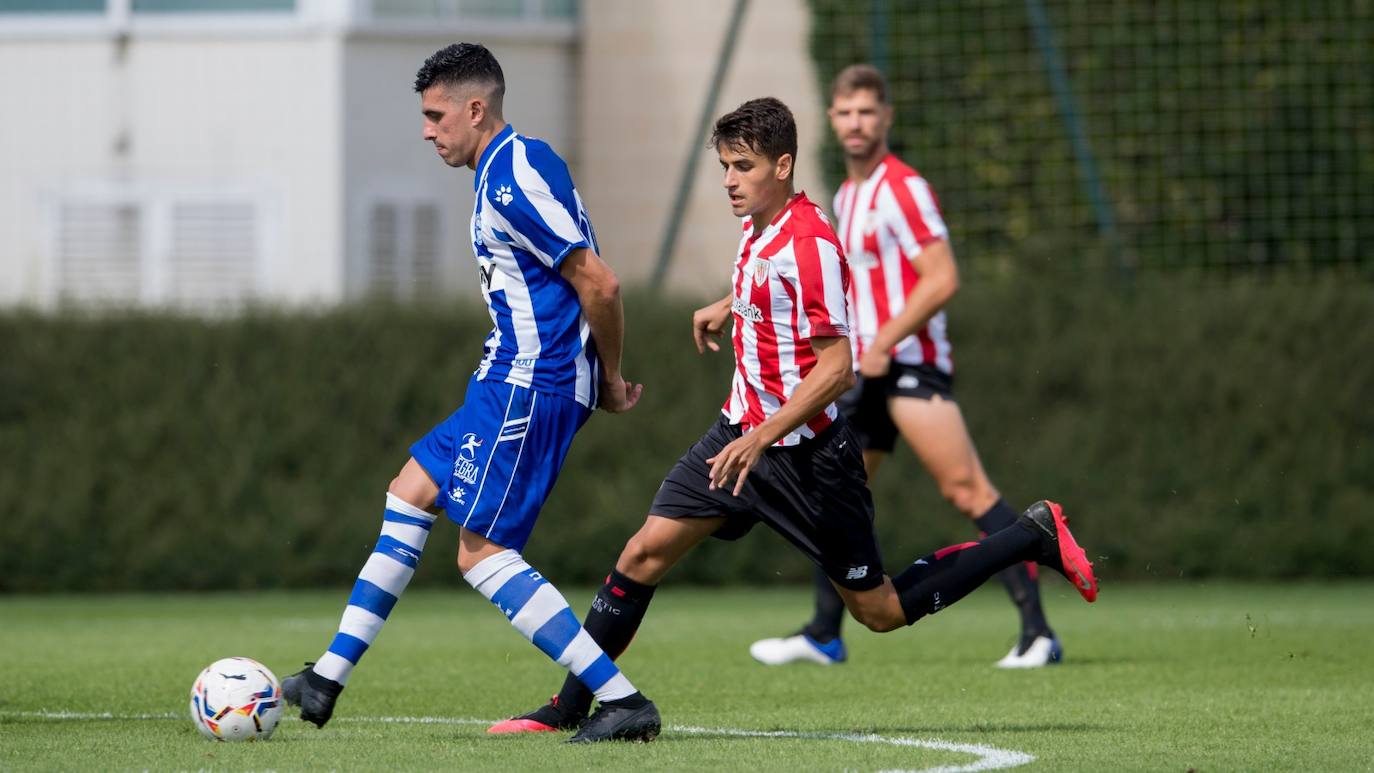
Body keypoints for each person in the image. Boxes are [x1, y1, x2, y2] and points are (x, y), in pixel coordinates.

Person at [487, 97, 1097, 738]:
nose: (729, 179)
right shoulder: (759, 223)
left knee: (880, 611)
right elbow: (772, 286)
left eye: (742, 166)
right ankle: (569, 711)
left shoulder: (811, 243)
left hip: (808, 460)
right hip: (737, 438)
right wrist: (728, 306)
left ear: (783, 165)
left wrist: (764, 434)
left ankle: (1030, 535)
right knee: (642, 554)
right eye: (724, 165)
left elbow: (839, 368)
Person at [279, 42, 660, 744]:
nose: (427, 131)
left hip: (529, 382)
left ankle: (622, 698)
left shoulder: (512, 174)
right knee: (408, 491)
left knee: (482, 554)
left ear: (475, 109)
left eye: (435, 115)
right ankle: (326, 677)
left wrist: (604, 377)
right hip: (504, 377)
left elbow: (599, 283)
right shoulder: (501, 169)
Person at [750, 64, 1065, 670]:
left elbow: (942, 277)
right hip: (868, 375)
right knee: (834, 499)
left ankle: (1038, 633)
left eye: (867, 112)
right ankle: (823, 633)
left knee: (965, 488)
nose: (855, 123)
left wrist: (886, 339)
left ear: (886, 118)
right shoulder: (847, 194)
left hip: (909, 367)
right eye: (844, 112)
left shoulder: (902, 188)